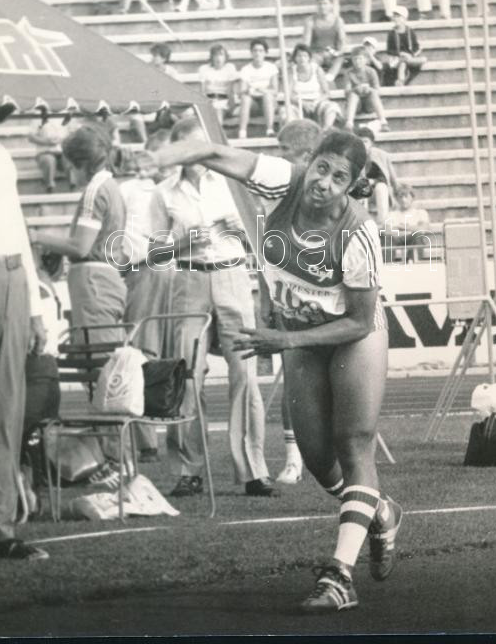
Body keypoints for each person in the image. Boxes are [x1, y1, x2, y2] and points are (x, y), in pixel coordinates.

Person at [149, 127, 402, 612]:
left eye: (338, 178)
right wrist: (156, 157)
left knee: (354, 443)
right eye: (321, 168)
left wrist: (285, 339)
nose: (324, 182)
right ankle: (379, 510)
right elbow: (215, 151)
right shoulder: (285, 180)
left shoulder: (358, 233)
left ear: (351, 187)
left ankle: (339, 576)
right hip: (300, 333)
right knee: (317, 459)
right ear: (311, 163)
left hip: (352, 336)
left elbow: (357, 319)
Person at [152, 116, 276, 498]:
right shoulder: (163, 193)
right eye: (189, 146)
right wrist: (182, 243)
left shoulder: (231, 182)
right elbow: (153, 252)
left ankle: (253, 470)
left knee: (245, 374)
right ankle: (188, 470)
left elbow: (260, 238)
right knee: (188, 375)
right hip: (189, 280)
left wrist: (235, 229)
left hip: (231, 275)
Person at [0, 63, 48, 564]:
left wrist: (36, 309)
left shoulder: (0, 155)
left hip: (13, 280)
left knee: (3, 414)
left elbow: (18, 226)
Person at [31, 126, 128, 485]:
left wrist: (37, 236)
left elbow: (81, 246)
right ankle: (115, 457)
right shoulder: (109, 186)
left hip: (93, 282)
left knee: (100, 373)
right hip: (103, 280)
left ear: (78, 162)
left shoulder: (94, 191)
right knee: (104, 371)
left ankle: (115, 461)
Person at [120, 145, 177, 463]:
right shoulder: (139, 190)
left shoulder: (167, 189)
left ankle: (156, 439)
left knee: (154, 351)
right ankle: (149, 439)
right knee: (149, 351)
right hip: (155, 269)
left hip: (162, 271)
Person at [273, 119, 322, 484]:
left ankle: (333, 450)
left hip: (328, 293)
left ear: (306, 155)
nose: (278, 157)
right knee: (293, 374)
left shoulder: (333, 191)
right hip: (289, 293)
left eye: (284, 151)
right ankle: (293, 457)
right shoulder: (278, 191)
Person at [289, 44, 343, 129]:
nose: (302, 58)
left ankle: (326, 130)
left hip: (316, 102)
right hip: (298, 103)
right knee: (287, 111)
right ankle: (296, 132)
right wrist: (303, 103)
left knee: (332, 107)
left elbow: (326, 93)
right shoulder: (291, 71)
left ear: (309, 57)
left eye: (305, 56)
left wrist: (316, 102)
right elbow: (289, 95)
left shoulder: (317, 69)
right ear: (295, 58)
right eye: (299, 56)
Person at [238, 38, 280, 139]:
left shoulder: (271, 68)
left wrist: (264, 90)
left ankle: (270, 130)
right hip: (253, 103)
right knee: (245, 98)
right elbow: (242, 91)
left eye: (261, 51)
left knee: (267, 96)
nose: (257, 53)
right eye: (255, 50)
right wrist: (249, 90)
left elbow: (275, 91)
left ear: (265, 53)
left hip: (268, 102)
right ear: (251, 53)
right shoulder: (246, 69)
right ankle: (242, 132)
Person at [28, 106, 76, 193]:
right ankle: (50, 187)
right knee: (49, 160)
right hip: (45, 151)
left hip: (64, 150)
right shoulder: (40, 113)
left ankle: (74, 186)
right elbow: (31, 136)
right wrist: (46, 141)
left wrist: (64, 140)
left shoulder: (67, 113)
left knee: (69, 159)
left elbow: (74, 133)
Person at [360, 126, 400, 227]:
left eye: (365, 141)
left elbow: (390, 178)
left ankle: (382, 222)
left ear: (371, 143)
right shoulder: (354, 156)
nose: (363, 144)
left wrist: (373, 181)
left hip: (379, 190)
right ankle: (362, 222)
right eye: (360, 142)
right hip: (362, 191)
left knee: (381, 187)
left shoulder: (380, 155)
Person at [303, 0, 347, 84]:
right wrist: (310, 56)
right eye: (320, 4)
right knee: (311, 62)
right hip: (316, 53)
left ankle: (329, 77)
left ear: (331, 5)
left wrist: (337, 52)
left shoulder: (338, 20)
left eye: (325, 4)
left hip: (332, 54)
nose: (322, 7)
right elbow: (306, 44)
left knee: (340, 58)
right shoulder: (310, 21)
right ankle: (317, 76)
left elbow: (342, 41)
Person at [343, 46, 389, 131]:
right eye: (355, 59)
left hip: (369, 104)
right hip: (356, 105)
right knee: (353, 94)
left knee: (373, 93)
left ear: (366, 60)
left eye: (360, 59)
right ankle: (349, 123)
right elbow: (347, 92)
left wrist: (369, 89)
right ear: (352, 60)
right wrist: (355, 89)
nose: (357, 61)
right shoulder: (349, 73)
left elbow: (377, 90)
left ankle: (383, 122)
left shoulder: (371, 71)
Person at [386, 184, 431, 262]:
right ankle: (387, 263)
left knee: (418, 235)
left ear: (412, 198)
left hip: (413, 238)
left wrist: (402, 227)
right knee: (387, 238)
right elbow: (387, 230)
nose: (403, 200)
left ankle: (412, 262)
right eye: (400, 197)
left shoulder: (420, 213)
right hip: (397, 238)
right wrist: (412, 228)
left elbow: (423, 228)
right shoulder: (392, 214)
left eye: (406, 197)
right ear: (396, 199)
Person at [383, 6, 427, 87]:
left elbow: (416, 47)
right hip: (397, 58)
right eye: (394, 17)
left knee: (423, 59)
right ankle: (401, 81)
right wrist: (400, 54)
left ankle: (402, 78)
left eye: (398, 17)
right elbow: (389, 50)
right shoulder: (391, 33)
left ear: (404, 19)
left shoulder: (410, 32)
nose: (396, 19)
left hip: (409, 58)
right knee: (402, 64)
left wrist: (410, 55)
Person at [199, 44, 239, 122]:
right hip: (210, 101)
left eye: (221, 55)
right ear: (211, 57)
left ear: (225, 57)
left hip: (224, 102)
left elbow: (231, 92)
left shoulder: (230, 68)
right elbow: (202, 92)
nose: (218, 58)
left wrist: (230, 107)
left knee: (218, 112)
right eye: (215, 55)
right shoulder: (204, 69)